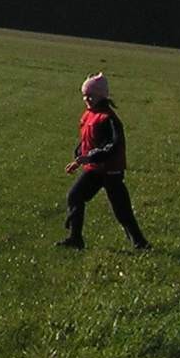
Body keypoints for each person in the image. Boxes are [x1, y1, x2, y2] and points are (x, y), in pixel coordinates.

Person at [58, 71, 149, 251]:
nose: (87, 99)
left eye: (91, 95)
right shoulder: (89, 114)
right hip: (94, 169)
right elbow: (87, 141)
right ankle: (75, 238)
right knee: (75, 196)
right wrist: (79, 159)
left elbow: (112, 146)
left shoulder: (109, 119)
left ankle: (140, 244)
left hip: (110, 171)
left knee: (121, 209)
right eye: (84, 95)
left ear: (102, 96)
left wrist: (90, 157)